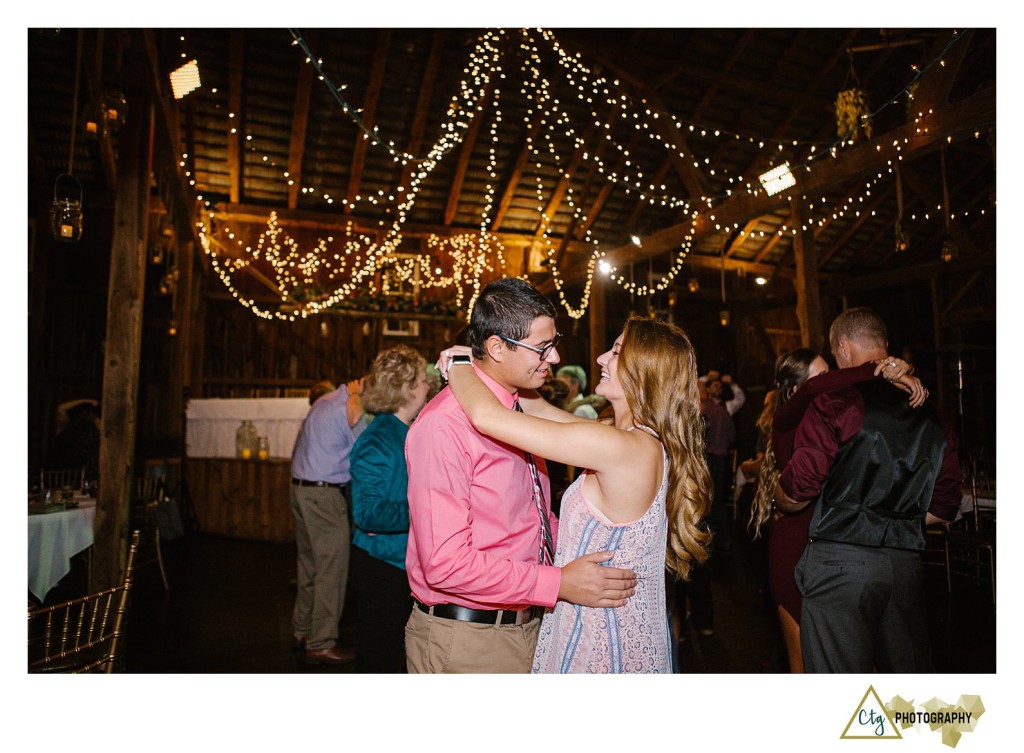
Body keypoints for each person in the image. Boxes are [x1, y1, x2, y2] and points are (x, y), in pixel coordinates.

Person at [442, 314, 711, 673]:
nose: (601, 358)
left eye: (616, 352)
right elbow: (538, 408)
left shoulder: (622, 447)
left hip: (604, 640)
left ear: (644, 369)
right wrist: (488, 360)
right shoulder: (628, 437)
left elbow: (487, 417)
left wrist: (458, 363)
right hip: (596, 620)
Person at [404, 277, 638, 674]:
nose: (556, 357)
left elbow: (529, 517)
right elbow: (444, 563)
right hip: (466, 641)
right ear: (497, 347)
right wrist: (557, 583)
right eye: (542, 348)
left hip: (527, 625)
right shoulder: (445, 425)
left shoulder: (517, 410)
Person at [776, 307, 961, 673]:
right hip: (905, 566)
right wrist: (896, 521)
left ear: (843, 347)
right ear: (886, 346)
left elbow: (798, 492)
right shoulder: (935, 414)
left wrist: (777, 497)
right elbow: (944, 508)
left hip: (839, 564)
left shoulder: (833, 402)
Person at [752, 347, 925, 673]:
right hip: (795, 547)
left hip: (835, 551)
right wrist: (883, 367)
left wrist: (899, 370)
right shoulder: (787, 417)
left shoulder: (836, 418)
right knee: (804, 666)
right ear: (794, 390)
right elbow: (817, 388)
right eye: (823, 376)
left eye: (832, 373)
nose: (832, 382)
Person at [349, 345, 431, 673]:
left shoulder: (405, 430)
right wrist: (428, 508)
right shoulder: (377, 440)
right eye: (424, 380)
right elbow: (368, 514)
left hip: (401, 562)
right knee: (379, 654)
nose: (428, 386)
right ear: (407, 387)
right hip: (381, 565)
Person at [289, 379, 367, 665]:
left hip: (300, 489)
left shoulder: (324, 400)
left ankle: (301, 630)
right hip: (323, 495)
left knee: (308, 564)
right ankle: (320, 643)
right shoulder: (352, 404)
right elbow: (364, 449)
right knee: (331, 570)